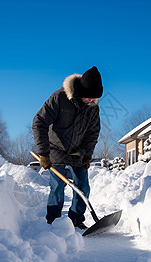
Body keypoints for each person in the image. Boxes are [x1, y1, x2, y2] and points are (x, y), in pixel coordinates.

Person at [32, 66, 102, 229]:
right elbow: (39, 122)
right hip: (56, 148)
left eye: (94, 98)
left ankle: (76, 218)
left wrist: (87, 155)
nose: (91, 101)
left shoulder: (93, 107)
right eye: (88, 97)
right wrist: (44, 153)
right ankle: (53, 219)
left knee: (83, 185)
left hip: (78, 150)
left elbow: (93, 132)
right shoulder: (59, 98)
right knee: (58, 185)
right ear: (80, 90)